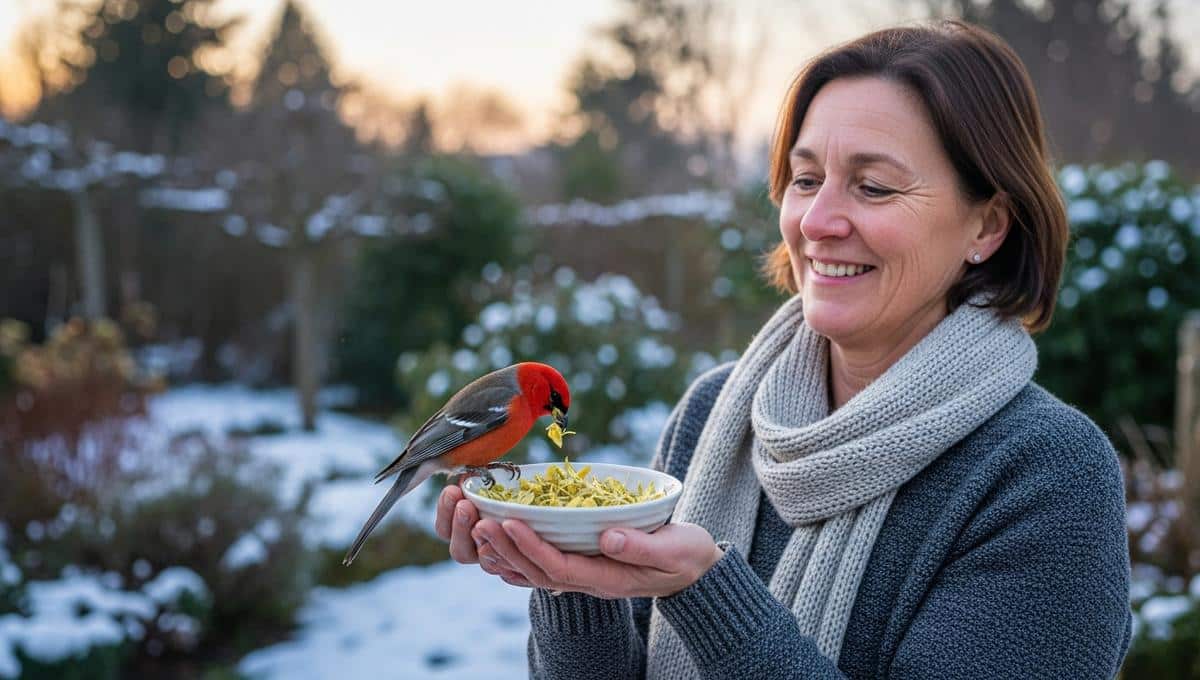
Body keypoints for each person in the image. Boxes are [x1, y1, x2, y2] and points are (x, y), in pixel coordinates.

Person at [435, 20, 1132, 679]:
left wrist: (709, 597)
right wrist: (569, 573)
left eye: (874, 186)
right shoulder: (714, 415)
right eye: (805, 179)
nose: (818, 222)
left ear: (988, 224)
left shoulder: (1047, 477)